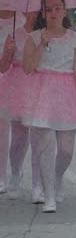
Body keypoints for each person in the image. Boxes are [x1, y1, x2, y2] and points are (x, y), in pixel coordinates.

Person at [16, 0, 76, 213]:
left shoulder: (75, 39)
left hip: (67, 93)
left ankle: (57, 177)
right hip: (42, 93)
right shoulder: (34, 37)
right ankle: (49, 195)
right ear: (43, 13)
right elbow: (28, 68)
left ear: (64, 11)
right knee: (46, 146)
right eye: (49, 9)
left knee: (66, 150)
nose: (54, 13)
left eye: (57, 8)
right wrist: (41, 45)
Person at [0, 10, 36, 200]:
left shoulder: (42, 30)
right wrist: (7, 53)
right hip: (12, 83)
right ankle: (8, 174)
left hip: (33, 85)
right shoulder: (13, 30)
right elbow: (3, 65)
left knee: (32, 135)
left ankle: (32, 180)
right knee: (10, 133)